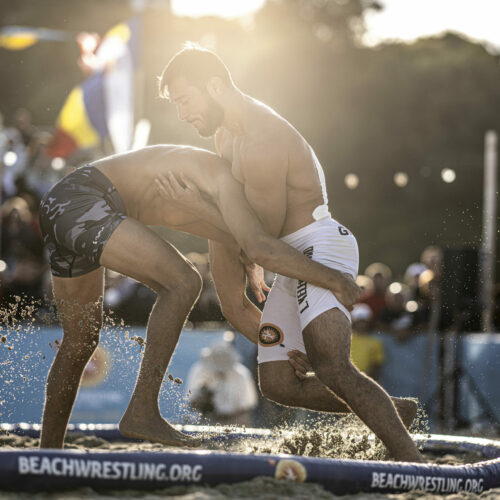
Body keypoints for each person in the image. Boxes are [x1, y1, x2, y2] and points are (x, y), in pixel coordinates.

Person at [159, 45, 423, 462]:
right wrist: (250, 257)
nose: (181, 114)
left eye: (184, 100)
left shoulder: (262, 138)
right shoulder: (226, 134)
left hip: (319, 246)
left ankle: (415, 466)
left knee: (332, 365)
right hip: (286, 252)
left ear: (215, 86)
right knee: (278, 382)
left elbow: (257, 237)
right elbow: (250, 232)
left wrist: (202, 216)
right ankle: (394, 411)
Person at [38, 144, 359, 449]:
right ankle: (143, 409)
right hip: (84, 200)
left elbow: (236, 308)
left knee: (79, 342)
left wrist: (288, 349)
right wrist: (330, 278)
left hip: (63, 204)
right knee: (184, 282)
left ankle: (47, 453)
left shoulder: (229, 220)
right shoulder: (226, 181)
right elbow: (262, 246)